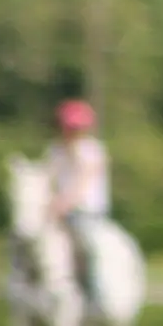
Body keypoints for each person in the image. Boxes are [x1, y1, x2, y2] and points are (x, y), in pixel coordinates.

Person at [46, 98, 113, 305]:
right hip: (58, 212)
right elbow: (48, 178)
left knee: (87, 248)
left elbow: (82, 182)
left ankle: (95, 294)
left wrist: (64, 204)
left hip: (87, 213)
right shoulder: (55, 150)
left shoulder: (93, 150)